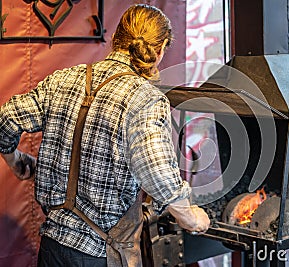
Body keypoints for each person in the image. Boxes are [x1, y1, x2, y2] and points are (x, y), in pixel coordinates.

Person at [0, 4, 210, 267]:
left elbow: (5, 119)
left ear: (115, 39)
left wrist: (16, 160)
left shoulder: (61, 80)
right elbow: (158, 175)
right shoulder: (145, 99)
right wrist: (191, 217)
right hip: (100, 255)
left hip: (52, 249)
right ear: (159, 50)